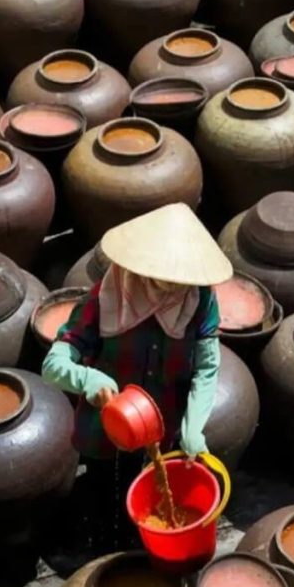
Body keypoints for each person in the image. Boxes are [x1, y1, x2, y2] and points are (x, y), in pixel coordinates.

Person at [41, 203, 233, 550]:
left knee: (150, 491)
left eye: (183, 277)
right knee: (102, 489)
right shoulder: (107, 295)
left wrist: (194, 427)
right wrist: (87, 379)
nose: (175, 286)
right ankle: (102, 545)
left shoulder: (201, 300)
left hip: (163, 422)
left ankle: (138, 542)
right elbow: (54, 363)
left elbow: (207, 366)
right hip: (108, 421)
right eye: (165, 275)